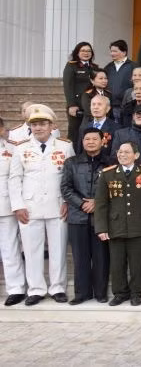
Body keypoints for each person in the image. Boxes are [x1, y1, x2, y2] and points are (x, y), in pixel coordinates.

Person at [9, 105, 74, 306]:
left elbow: (69, 178)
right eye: (34, 125)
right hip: (30, 207)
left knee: (58, 249)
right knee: (31, 250)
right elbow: (14, 179)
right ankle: (36, 289)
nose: (38, 128)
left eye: (42, 124)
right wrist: (18, 205)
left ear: (51, 125)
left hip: (57, 205)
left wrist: (67, 201)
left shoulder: (64, 146)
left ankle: (58, 287)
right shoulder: (21, 148)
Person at [94, 141, 141, 307]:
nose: (122, 155)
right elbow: (101, 203)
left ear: (136, 155)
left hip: (138, 224)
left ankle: (137, 292)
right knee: (117, 262)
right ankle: (120, 293)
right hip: (115, 225)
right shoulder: (108, 174)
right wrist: (102, 227)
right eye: (120, 152)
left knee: (137, 263)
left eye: (127, 152)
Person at [60, 128, 112, 305]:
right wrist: (82, 204)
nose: (90, 142)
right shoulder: (71, 162)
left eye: (94, 139)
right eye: (87, 139)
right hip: (77, 216)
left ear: (102, 141)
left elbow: (115, 187)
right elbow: (66, 188)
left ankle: (100, 292)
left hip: (101, 217)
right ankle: (82, 293)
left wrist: (97, 202)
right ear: (82, 142)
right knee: (80, 257)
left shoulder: (110, 163)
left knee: (101, 257)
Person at [0, 117, 26, 306]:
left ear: (2, 129)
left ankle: (16, 288)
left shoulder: (13, 148)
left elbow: (18, 177)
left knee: (10, 249)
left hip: (5, 205)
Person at [63, 42, 97, 150]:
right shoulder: (71, 66)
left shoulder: (94, 67)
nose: (86, 53)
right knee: (74, 133)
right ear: (77, 52)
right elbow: (68, 86)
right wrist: (71, 104)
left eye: (88, 51)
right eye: (83, 50)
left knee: (88, 133)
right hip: (76, 106)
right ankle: (71, 157)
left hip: (90, 106)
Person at [105, 40, 135, 122]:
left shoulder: (133, 66)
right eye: (111, 51)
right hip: (110, 107)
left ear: (124, 52)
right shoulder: (108, 67)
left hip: (127, 106)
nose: (112, 53)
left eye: (115, 51)